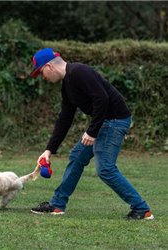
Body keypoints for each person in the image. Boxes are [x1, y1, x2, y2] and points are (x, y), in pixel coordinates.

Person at [29, 48, 154, 220]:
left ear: (49, 66)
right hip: (105, 121)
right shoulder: (67, 85)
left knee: (105, 169)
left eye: (41, 72)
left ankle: (142, 209)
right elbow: (65, 118)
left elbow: (102, 99)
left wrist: (92, 131)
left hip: (115, 121)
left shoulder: (79, 71)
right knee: (77, 156)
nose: (43, 78)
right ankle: (57, 205)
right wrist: (49, 150)